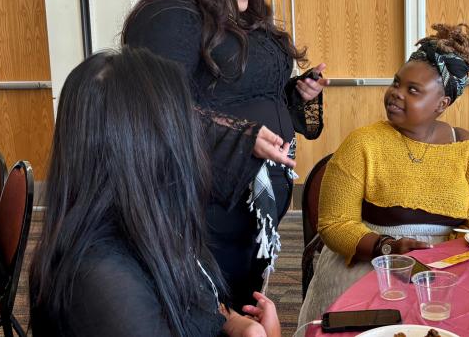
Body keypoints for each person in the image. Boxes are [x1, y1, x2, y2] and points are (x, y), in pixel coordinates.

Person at [122, 0, 328, 310]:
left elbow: (242, 95)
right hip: (201, 201)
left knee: (239, 301)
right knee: (205, 308)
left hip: (248, 202)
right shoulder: (170, 15)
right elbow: (155, 108)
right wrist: (242, 136)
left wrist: (295, 96)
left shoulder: (240, 16)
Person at [28, 48, 280, 337]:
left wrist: (239, 325)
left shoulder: (150, 229)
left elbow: (204, 310)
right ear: (151, 147)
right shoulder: (104, 285)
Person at [298, 23, 469, 324]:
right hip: (368, 260)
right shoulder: (363, 142)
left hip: (448, 266)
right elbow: (334, 223)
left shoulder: (466, 147)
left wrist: (450, 252)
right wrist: (386, 247)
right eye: (396, 84)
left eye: (413, 90)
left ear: (441, 104)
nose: (396, 94)